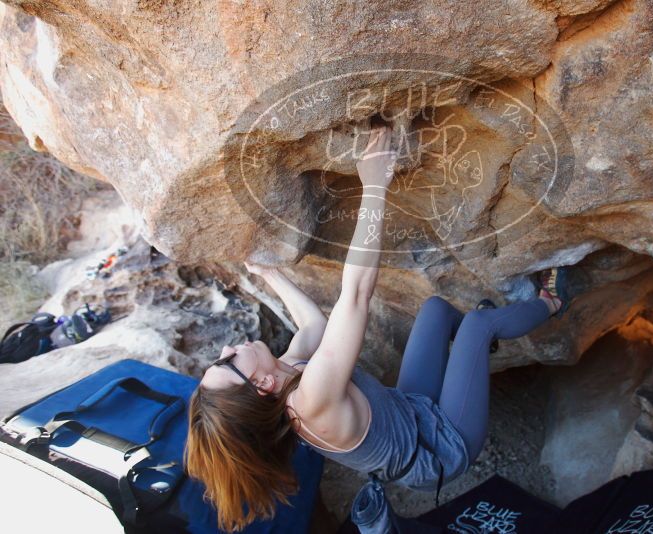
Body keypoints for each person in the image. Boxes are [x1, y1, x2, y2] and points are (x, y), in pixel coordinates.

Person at [185, 124, 569, 532]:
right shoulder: (311, 399)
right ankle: (551, 303)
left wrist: (269, 275)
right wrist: (374, 184)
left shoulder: (284, 374)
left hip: (411, 410)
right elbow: (355, 295)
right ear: (259, 385)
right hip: (441, 448)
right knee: (475, 325)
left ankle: (478, 349)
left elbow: (313, 323)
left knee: (437, 311)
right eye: (228, 363)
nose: (228, 350)